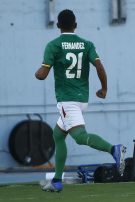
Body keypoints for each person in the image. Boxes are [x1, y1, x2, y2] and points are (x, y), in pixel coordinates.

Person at [35, 9, 126, 192]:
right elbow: (99, 66)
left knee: (80, 137)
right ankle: (57, 181)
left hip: (67, 100)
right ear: (75, 25)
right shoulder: (87, 44)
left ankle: (113, 149)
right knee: (58, 135)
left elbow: (42, 75)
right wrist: (104, 88)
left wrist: (38, 72)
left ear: (58, 25)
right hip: (82, 98)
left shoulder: (54, 45)